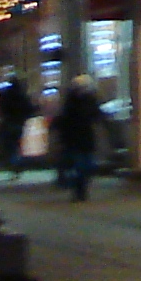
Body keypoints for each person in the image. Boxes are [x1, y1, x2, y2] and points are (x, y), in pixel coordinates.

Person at [56, 74, 108, 202]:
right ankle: (79, 189)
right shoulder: (75, 102)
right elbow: (97, 115)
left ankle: (79, 188)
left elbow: (96, 115)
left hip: (80, 137)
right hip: (79, 137)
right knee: (82, 165)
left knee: (85, 165)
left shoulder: (78, 102)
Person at [0, 75, 35, 176]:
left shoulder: (6, 95)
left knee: (10, 145)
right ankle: (16, 163)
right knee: (17, 144)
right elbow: (29, 108)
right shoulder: (22, 95)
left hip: (8, 122)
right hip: (19, 123)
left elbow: (1, 106)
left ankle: (13, 163)